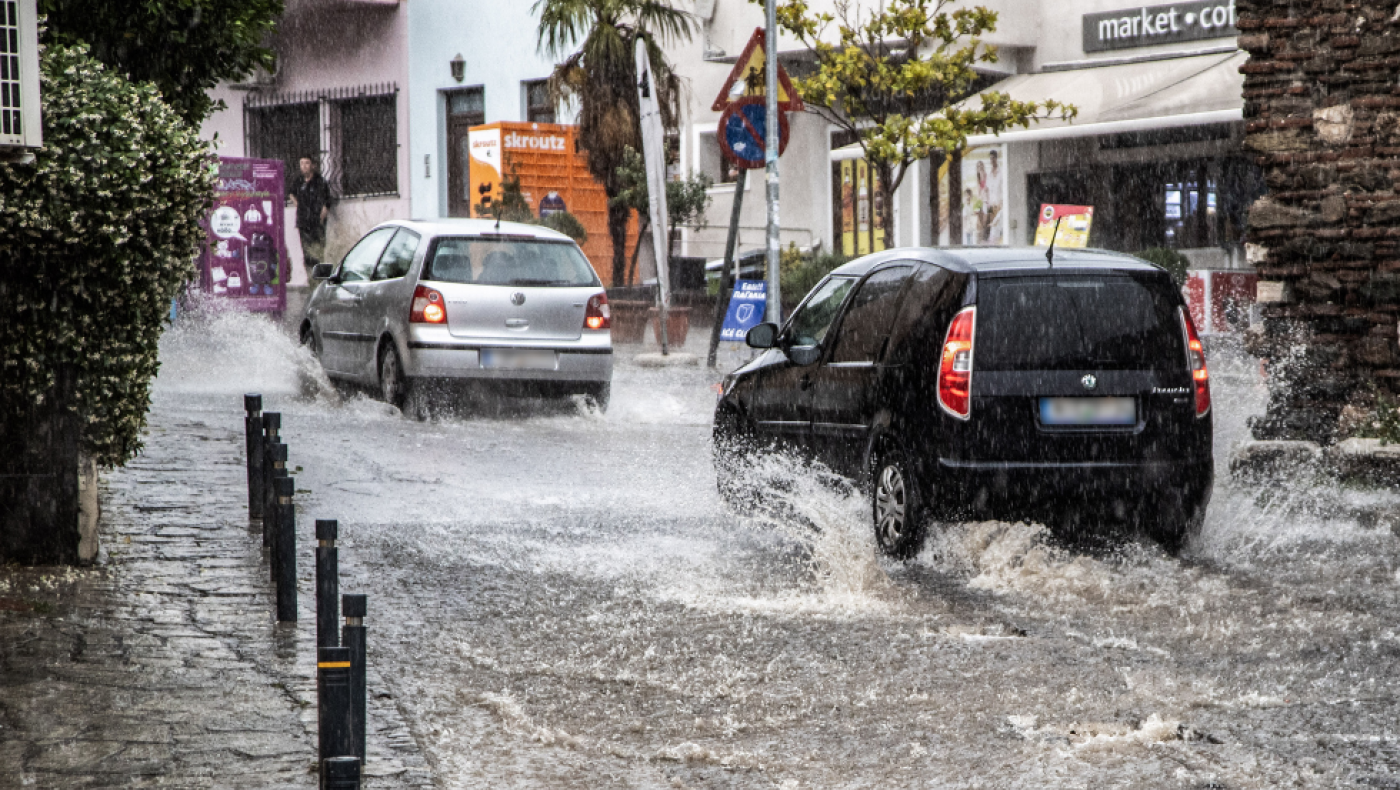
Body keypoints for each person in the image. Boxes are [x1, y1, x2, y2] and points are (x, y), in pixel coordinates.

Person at [291, 156, 334, 281]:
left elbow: (328, 201)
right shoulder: (299, 181)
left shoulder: (320, 182)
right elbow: (291, 192)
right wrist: (297, 203)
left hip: (316, 223)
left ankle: (320, 280)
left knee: (318, 252)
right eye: (302, 163)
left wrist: (323, 213)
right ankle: (310, 280)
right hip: (303, 223)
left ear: (313, 165)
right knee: (306, 253)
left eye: (307, 163)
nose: (304, 166)